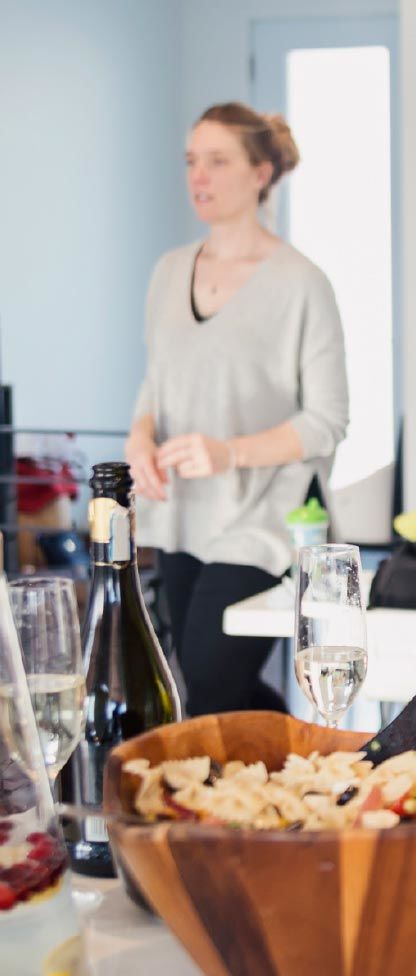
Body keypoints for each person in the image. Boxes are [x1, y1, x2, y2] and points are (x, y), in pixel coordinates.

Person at [125, 103, 349, 717]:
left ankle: (214, 808)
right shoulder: (169, 272)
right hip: (180, 515)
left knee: (206, 685)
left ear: (261, 171)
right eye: (192, 161)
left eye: (218, 161)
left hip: (266, 520)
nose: (199, 175)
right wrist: (138, 439)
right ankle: (290, 777)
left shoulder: (302, 283)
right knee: (211, 691)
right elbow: (156, 384)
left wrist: (228, 453)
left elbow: (328, 420)